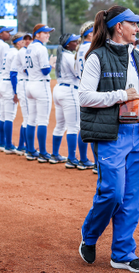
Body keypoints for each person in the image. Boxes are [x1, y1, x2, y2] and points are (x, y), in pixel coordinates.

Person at [78, 6, 139, 272]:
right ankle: (90, 235)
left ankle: (122, 253)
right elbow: (84, 96)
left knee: (132, 197)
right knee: (113, 193)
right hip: (111, 135)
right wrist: (120, 95)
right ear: (119, 26)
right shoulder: (97, 57)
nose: (138, 29)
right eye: (134, 24)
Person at [52, 33, 95, 168]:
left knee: (60, 125)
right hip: (70, 91)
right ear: (67, 44)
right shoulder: (70, 56)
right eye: (74, 42)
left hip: (59, 88)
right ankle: (71, 158)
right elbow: (78, 74)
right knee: (74, 126)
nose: (76, 43)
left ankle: (55, 154)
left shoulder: (60, 55)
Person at [24, 24, 55, 162]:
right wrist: (51, 64)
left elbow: (26, 69)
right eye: (45, 33)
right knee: (42, 120)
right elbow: (45, 71)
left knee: (31, 119)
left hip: (30, 84)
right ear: (37, 34)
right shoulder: (41, 48)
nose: (48, 35)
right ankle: (42, 152)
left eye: (48, 33)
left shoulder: (29, 47)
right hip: (40, 85)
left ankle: (30, 150)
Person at [0, 33, 26, 155]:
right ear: (18, 42)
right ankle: (8, 145)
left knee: (3, 116)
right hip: (9, 84)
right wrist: (16, 91)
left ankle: (2, 143)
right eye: (23, 41)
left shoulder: (9, 51)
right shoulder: (15, 53)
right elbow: (13, 74)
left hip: (3, 83)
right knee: (9, 116)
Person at [10, 32, 33, 153]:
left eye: (30, 39)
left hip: (22, 84)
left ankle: (22, 146)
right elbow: (26, 71)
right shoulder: (23, 52)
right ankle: (24, 147)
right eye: (25, 39)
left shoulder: (21, 52)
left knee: (28, 117)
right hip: (24, 83)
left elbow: (13, 73)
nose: (28, 41)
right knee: (28, 117)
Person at [75, 22, 94, 172]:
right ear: (89, 34)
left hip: (81, 87)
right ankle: (98, 163)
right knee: (96, 127)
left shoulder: (79, 48)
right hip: (92, 89)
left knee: (84, 126)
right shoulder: (91, 48)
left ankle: (82, 159)